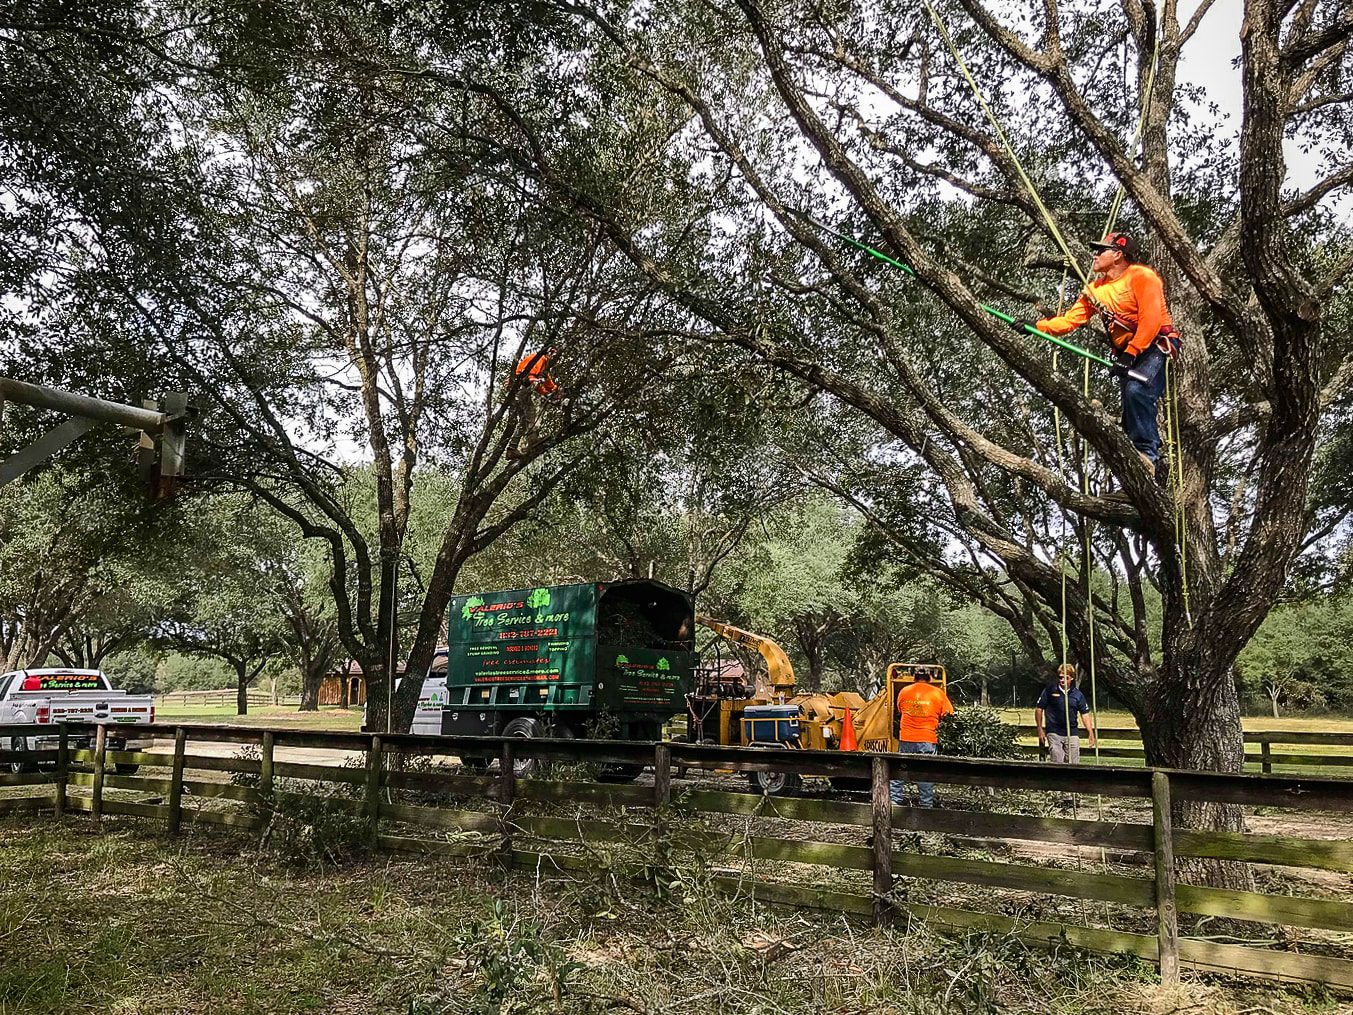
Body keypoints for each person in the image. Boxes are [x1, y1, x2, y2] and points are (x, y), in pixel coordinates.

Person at [1010, 232, 1179, 481]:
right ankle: (1140, 469)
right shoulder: (1095, 289)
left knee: (1137, 391)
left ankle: (1147, 456)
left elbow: (1151, 320)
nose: (1095, 255)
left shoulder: (1142, 277)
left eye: (1101, 251)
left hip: (1154, 346)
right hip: (1127, 352)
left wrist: (1131, 353)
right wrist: (1037, 326)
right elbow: (1069, 320)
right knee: (1130, 406)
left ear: (1118, 254)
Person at [890, 669, 954, 807]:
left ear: (914, 678)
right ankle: (926, 804)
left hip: (906, 738)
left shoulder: (904, 691)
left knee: (901, 769)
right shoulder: (938, 693)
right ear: (929, 678)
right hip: (928, 739)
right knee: (924, 773)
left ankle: (895, 801)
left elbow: (899, 709)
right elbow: (949, 715)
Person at [1035, 664, 1097, 764]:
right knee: (1057, 759)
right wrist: (1040, 729)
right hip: (1054, 731)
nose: (1062, 680)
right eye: (1060, 677)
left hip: (1072, 733)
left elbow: (1084, 714)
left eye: (1066, 678)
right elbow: (1039, 709)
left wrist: (1090, 732)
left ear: (1071, 678)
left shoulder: (1077, 694)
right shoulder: (1050, 690)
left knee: (1073, 763)